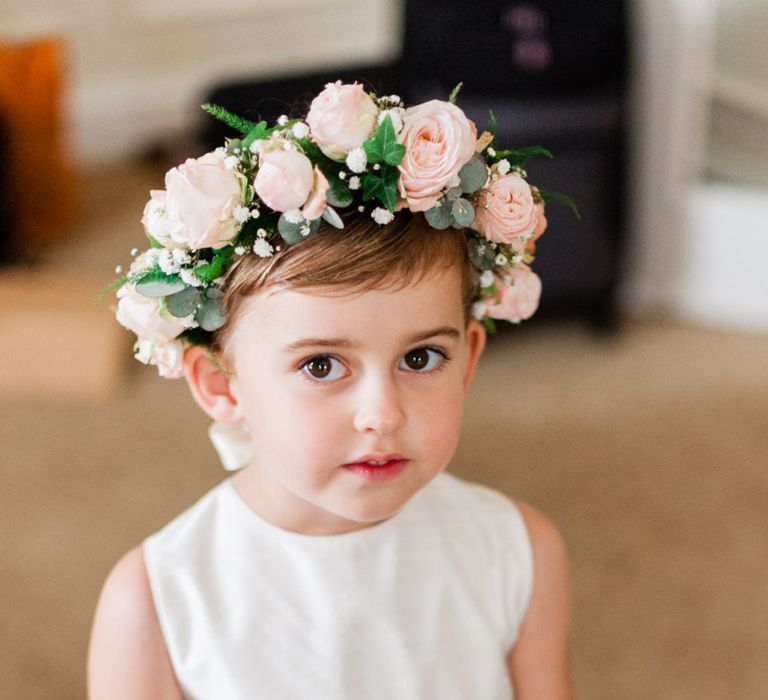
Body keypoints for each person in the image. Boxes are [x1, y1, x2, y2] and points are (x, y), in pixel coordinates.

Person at [88, 81, 573, 699]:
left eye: (421, 357)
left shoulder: (518, 552)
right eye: (321, 366)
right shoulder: (157, 602)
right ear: (221, 385)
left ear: (469, 358)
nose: (381, 415)